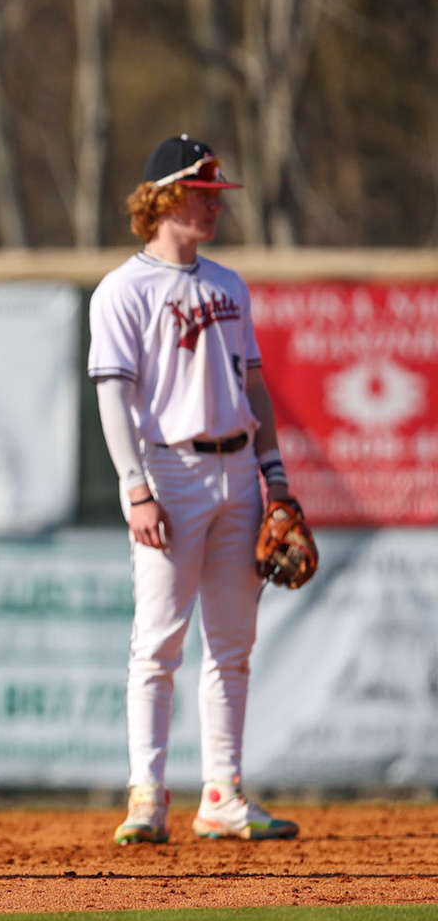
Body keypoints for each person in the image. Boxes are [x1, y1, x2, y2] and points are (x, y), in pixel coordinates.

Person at [89, 135, 301, 845]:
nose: (213, 205)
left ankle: (223, 794)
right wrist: (135, 488)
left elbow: (252, 385)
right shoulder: (122, 290)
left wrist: (276, 480)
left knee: (232, 645)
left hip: (239, 471)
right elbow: (114, 398)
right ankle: (148, 796)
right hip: (170, 472)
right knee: (158, 644)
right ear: (164, 197)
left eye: (214, 194)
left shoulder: (228, 285)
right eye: (201, 193)